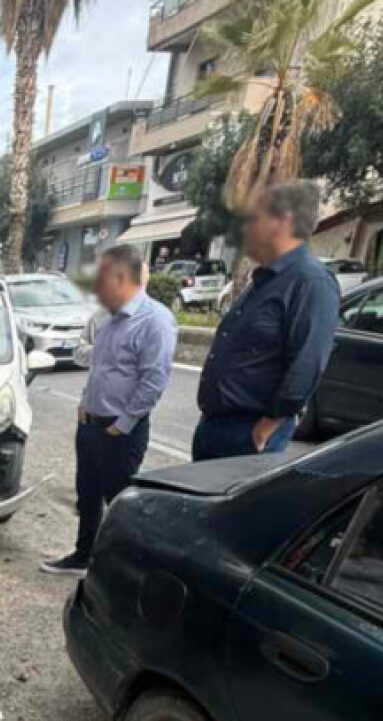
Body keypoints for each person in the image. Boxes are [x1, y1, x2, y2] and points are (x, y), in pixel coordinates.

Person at [39, 245, 175, 577]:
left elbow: (153, 381)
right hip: (90, 423)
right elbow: (100, 368)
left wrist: (123, 424)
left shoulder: (155, 321)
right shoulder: (107, 318)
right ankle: (83, 556)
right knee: (87, 496)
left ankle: (121, 571)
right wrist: (85, 404)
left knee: (120, 503)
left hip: (119, 431)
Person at [193, 180, 339, 461]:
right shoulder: (265, 280)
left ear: (281, 221)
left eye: (252, 219)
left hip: (250, 435)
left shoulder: (310, 282)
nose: (244, 229)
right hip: (216, 427)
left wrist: (268, 426)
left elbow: (308, 361)